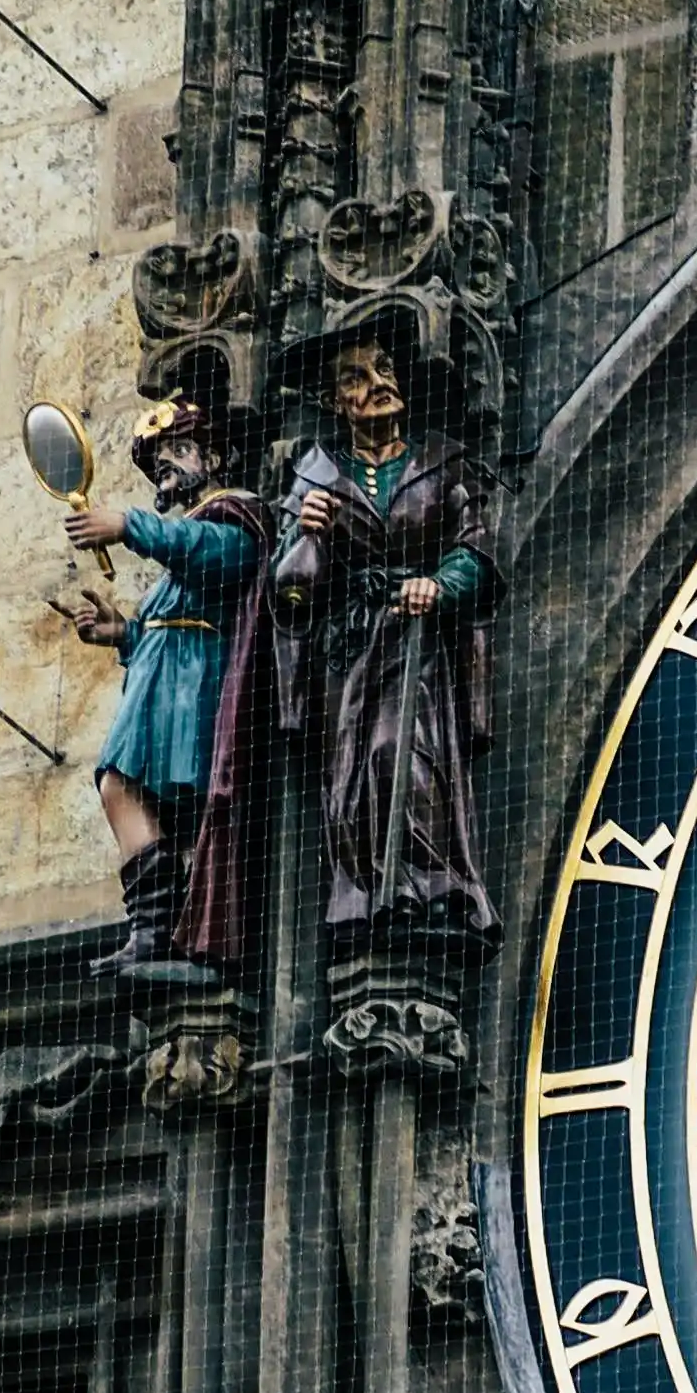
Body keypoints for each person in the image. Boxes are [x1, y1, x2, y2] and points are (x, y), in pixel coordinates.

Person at [174, 326, 501, 984]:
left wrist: (440, 584)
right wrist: (308, 536)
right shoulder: (314, 475)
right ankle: (368, 892)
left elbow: (480, 549)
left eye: (383, 367)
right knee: (352, 776)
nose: (376, 383)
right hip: (346, 650)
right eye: (355, 377)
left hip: (419, 645)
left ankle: (431, 887)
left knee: (403, 757)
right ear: (335, 401)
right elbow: (289, 596)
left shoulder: (444, 461)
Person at [54, 398, 267, 982]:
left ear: (215, 456)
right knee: (119, 787)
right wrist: (122, 633)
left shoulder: (236, 515)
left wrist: (128, 526)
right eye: (157, 461)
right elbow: (170, 613)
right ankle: (154, 926)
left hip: (201, 688)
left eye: (175, 452)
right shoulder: (186, 536)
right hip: (159, 687)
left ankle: (189, 934)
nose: (164, 467)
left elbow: (222, 560)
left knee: (191, 806)